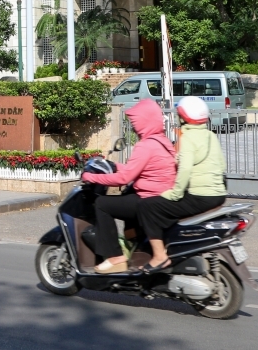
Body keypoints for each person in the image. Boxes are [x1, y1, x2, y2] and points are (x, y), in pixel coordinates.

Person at [81, 98, 176, 274]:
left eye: (135, 123)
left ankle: (115, 256)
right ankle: (135, 246)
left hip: (147, 199)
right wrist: (115, 166)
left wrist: (91, 178)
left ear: (144, 122)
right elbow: (140, 169)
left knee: (102, 204)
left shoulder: (145, 145)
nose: (134, 127)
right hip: (161, 197)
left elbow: (124, 178)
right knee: (126, 197)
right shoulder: (162, 141)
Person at [137, 96, 227, 272]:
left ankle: (159, 257)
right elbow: (221, 164)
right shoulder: (210, 136)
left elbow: (185, 170)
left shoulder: (187, 137)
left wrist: (174, 193)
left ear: (183, 117)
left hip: (200, 196)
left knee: (147, 207)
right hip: (218, 195)